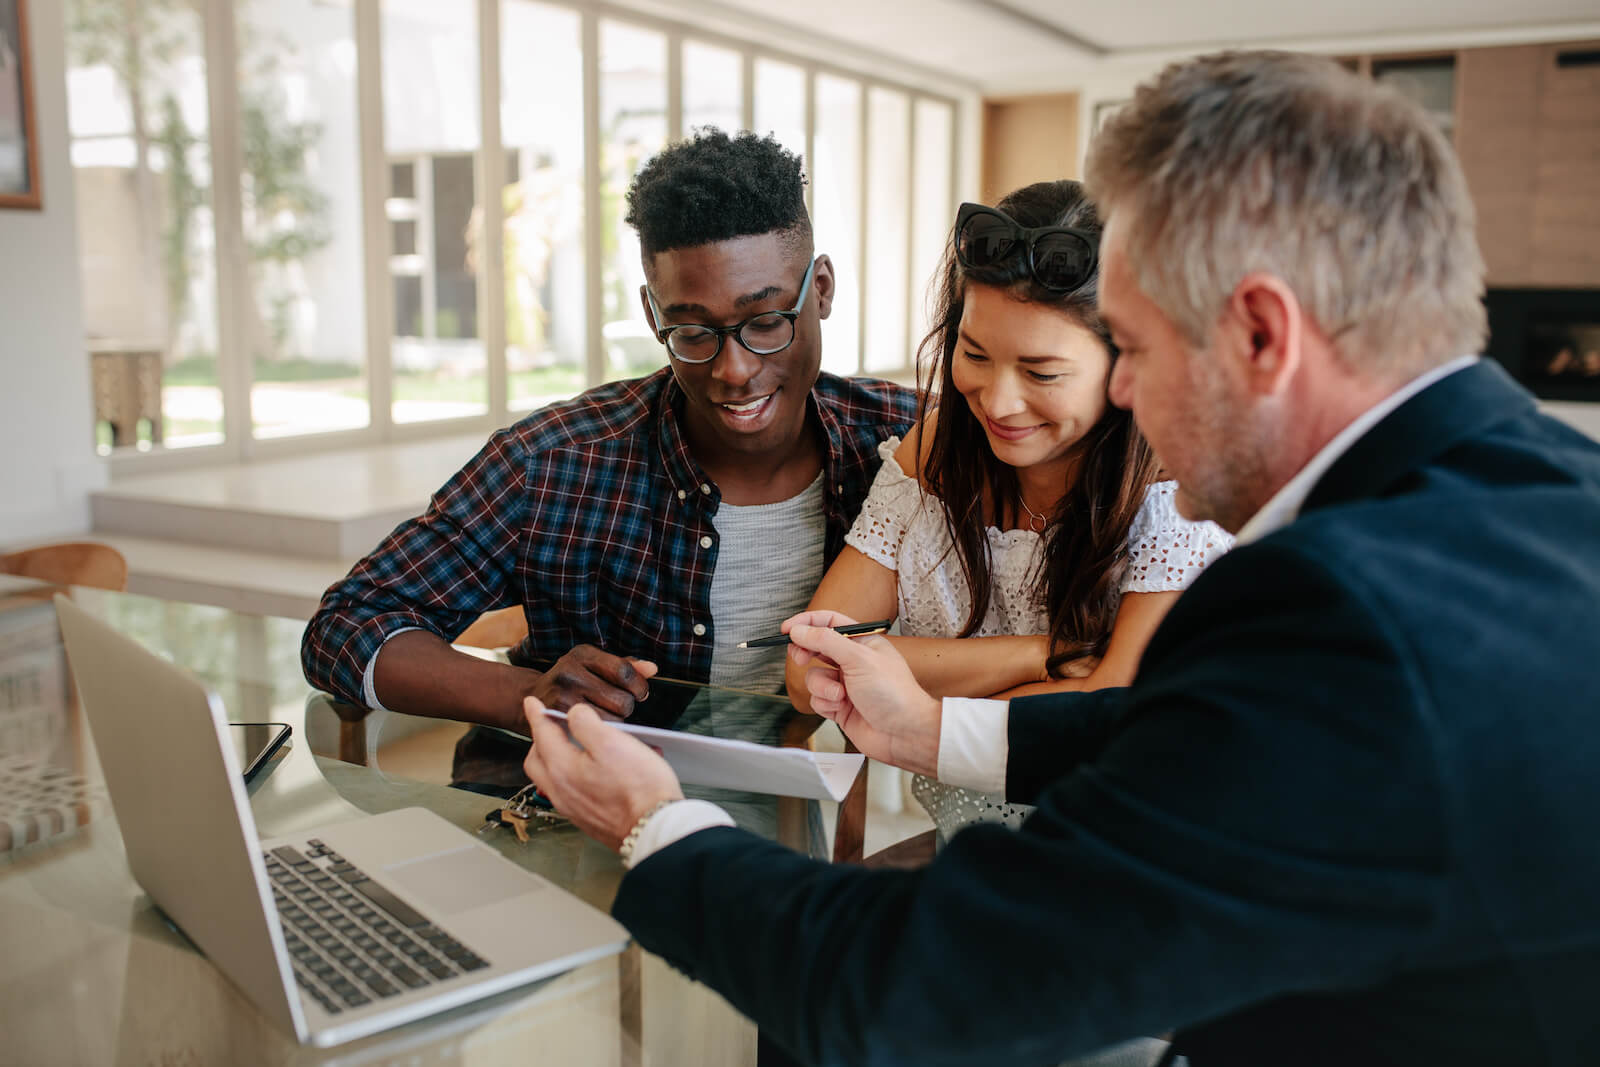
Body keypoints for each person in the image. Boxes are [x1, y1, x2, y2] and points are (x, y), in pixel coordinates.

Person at [517, 50, 1600, 1067]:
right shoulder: (1546, 491)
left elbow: (910, 987)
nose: (1118, 393)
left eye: (1126, 344)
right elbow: (1199, 727)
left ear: (1261, 334)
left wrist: (655, 822)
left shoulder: (1340, 606)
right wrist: (932, 729)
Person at [301, 130, 917, 730]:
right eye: (694, 332)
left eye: (765, 321)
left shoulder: (910, 444)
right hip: (578, 817)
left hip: (817, 819)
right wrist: (527, 694)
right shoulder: (554, 464)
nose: (735, 370)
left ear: (824, 290)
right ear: (653, 317)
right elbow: (346, 627)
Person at [786, 181, 1229, 843]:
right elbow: (812, 670)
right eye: (974, 354)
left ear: (1126, 363)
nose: (998, 401)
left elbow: (1110, 711)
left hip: (1130, 864)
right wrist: (1042, 655)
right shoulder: (933, 451)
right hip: (968, 857)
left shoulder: (1172, 484)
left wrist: (910, 688)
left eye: (1042, 372)